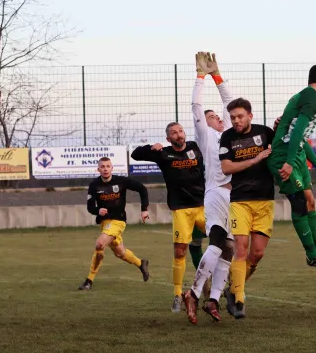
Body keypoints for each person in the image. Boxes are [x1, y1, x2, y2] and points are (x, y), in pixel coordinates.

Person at [266, 65, 316, 271]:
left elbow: (300, 137)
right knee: (299, 204)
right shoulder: (313, 98)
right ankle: (312, 256)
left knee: (309, 201)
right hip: (284, 156)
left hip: (295, 155)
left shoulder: (303, 97)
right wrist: (288, 162)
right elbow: (296, 131)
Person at [131, 121, 208, 312]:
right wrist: (151, 147)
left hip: (204, 205)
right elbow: (135, 154)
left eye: (181, 131)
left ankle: (224, 287)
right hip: (181, 209)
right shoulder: (163, 154)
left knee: (225, 243)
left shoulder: (195, 147)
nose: (179, 135)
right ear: (168, 138)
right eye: (174, 133)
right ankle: (177, 294)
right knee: (180, 251)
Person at [183, 52, 235, 325]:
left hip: (233, 196)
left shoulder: (229, 134)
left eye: (218, 115)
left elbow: (231, 102)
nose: (219, 117)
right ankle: (192, 292)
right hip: (215, 192)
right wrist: (201, 77)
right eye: (213, 116)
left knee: (228, 249)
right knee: (216, 241)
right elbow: (196, 105)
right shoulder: (206, 135)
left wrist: (218, 75)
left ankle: (213, 299)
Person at [219, 97, 275, 319]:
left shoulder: (265, 132)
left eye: (240, 116)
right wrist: (254, 159)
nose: (236, 121)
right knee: (241, 249)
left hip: (265, 200)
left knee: (258, 253)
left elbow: (280, 147)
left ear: (250, 116)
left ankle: (232, 288)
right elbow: (226, 167)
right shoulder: (228, 137)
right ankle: (240, 299)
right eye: (232, 117)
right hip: (240, 200)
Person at [78, 157, 150, 290]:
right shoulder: (94, 185)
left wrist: (144, 209)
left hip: (118, 221)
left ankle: (89, 280)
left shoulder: (121, 181)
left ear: (112, 168)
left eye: (108, 166)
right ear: (98, 169)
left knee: (100, 244)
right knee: (120, 253)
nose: (105, 169)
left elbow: (142, 188)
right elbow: (90, 207)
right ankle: (141, 263)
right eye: (102, 166)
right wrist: (98, 210)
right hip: (105, 224)